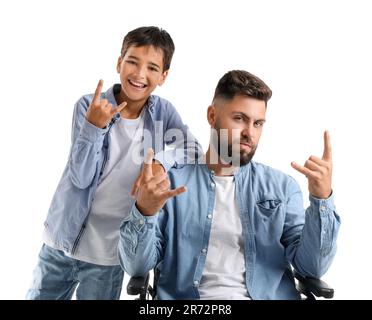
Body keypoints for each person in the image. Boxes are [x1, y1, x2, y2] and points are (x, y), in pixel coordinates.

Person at [118, 70, 341, 300]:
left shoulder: (282, 187)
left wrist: (322, 200)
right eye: (239, 118)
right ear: (212, 115)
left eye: (258, 123)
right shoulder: (169, 185)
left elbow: (312, 269)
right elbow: (136, 268)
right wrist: (144, 211)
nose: (249, 133)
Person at [26, 26, 201, 300]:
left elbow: (192, 149)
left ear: (163, 76)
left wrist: (161, 161)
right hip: (61, 243)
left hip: (108, 255)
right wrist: (94, 127)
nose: (139, 74)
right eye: (132, 61)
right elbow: (81, 177)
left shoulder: (163, 113)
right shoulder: (89, 105)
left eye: (152, 67)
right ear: (119, 62)